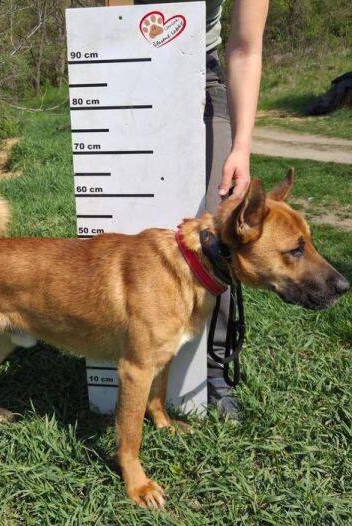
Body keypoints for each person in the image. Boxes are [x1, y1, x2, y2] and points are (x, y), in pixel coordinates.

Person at [133, 0, 270, 415]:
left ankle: (212, 367)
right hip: (131, 67)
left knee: (216, 233)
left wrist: (241, 147)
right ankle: (116, 338)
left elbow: (245, 47)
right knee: (133, 225)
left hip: (201, 75)